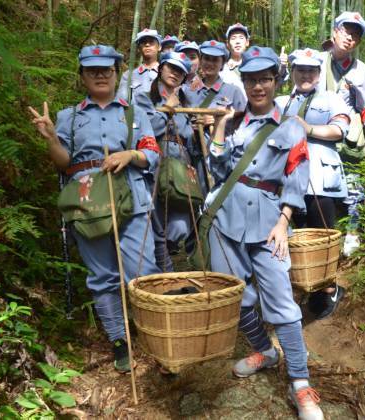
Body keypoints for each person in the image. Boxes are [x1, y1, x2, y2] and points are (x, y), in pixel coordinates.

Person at [29, 45, 162, 372]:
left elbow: (152, 153)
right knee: (102, 276)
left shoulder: (134, 112)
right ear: (82, 76)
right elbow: (63, 164)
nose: (101, 74)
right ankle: (119, 340)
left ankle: (158, 337)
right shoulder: (68, 117)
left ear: (117, 73)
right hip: (88, 201)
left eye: (107, 69)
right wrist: (50, 139)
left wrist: (129, 155)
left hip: (131, 195)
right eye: (93, 70)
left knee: (143, 273)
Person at [208, 46, 323, 420]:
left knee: (281, 303)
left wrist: (284, 221)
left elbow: (297, 177)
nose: (258, 86)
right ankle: (265, 351)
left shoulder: (290, 127)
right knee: (235, 295)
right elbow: (218, 165)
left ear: (276, 82)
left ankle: (301, 384)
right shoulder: (236, 120)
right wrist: (221, 126)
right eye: (251, 79)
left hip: (268, 219)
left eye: (265, 79)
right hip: (226, 218)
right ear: (243, 82)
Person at [276, 48, 351, 319]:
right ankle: (309, 284)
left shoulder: (332, 98)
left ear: (319, 74)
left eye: (311, 70)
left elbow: (339, 129)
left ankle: (329, 288)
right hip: (290, 178)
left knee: (323, 233)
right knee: (298, 235)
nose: (305, 74)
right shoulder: (283, 101)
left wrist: (309, 129)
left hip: (320, 177)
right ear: (293, 72)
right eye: (300, 70)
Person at [317, 12, 365, 258]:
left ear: (358, 42)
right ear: (334, 32)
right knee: (318, 187)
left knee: (353, 187)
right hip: (318, 134)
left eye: (355, 35)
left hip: (348, 138)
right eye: (346, 32)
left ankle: (352, 233)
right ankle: (321, 238)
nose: (349, 38)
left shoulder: (361, 71)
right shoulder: (317, 61)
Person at [133, 52, 195, 271]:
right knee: (156, 222)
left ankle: (166, 263)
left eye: (181, 71)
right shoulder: (144, 98)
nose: (175, 74)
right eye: (171, 68)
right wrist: (167, 109)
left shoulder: (187, 102)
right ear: (162, 68)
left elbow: (189, 137)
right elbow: (146, 130)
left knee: (179, 226)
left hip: (180, 167)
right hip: (154, 164)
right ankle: (163, 274)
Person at [184, 40, 247, 194]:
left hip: (223, 157)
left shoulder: (233, 91)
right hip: (194, 156)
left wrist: (219, 120)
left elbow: (245, 122)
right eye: (206, 58)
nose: (209, 63)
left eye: (215, 60)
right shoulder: (188, 91)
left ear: (222, 63)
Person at [118, 28, 162, 100]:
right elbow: (122, 101)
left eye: (151, 42)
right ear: (139, 49)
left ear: (159, 47)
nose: (147, 44)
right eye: (143, 42)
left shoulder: (167, 74)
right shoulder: (128, 76)